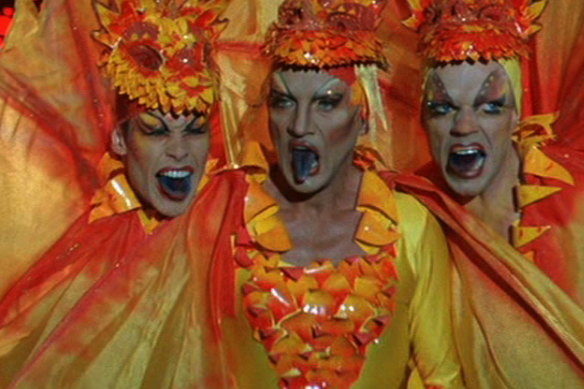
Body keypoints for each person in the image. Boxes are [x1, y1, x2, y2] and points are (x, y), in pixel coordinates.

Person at [209, 1, 466, 387]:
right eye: (284, 102)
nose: (299, 125)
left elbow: (440, 377)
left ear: (361, 116)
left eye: (326, 103)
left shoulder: (409, 225)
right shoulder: (225, 218)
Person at [0, 0, 230, 386]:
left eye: (194, 129)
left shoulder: (235, 236)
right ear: (120, 141)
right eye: (155, 130)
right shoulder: (77, 259)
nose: (178, 150)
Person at [409, 0, 584, 307]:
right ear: (423, 119)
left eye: (490, 107)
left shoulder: (576, 203)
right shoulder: (409, 211)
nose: (464, 126)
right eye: (443, 108)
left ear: (516, 114)